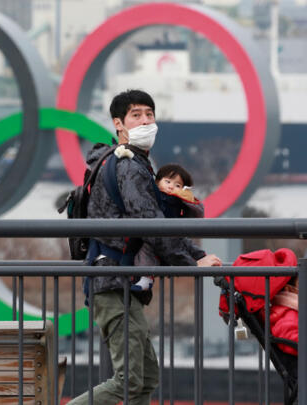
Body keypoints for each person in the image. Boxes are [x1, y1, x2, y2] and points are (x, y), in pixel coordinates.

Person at [68, 90, 222, 405]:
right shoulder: (128, 166)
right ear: (118, 124)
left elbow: (157, 223)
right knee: (128, 381)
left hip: (118, 281)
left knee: (145, 378)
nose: (145, 121)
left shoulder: (130, 162)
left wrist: (197, 255)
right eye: (136, 115)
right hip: (114, 281)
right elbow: (151, 224)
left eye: (149, 114)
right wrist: (192, 265)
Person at [132, 163, 204, 291]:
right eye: (167, 181)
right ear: (157, 182)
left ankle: (202, 256)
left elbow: (198, 214)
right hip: (156, 234)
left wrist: (187, 198)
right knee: (146, 250)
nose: (171, 187)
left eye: (178, 185)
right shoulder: (153, 196)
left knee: (187, 244)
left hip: (174, 234)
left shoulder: (180, 200)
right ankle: (146, 278)